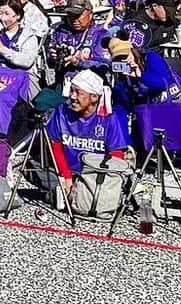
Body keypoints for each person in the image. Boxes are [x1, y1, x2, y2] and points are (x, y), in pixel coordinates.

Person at [46, 69, 130, 217]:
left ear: (93, 97)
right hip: (67, 171)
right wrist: (66, 177)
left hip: (96, 176)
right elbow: (56, 147)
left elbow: (116, 155)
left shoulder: (109, 118)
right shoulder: (62, 112)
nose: (72, 96)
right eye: (72, 91)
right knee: (36, 171)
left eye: (78, 92)